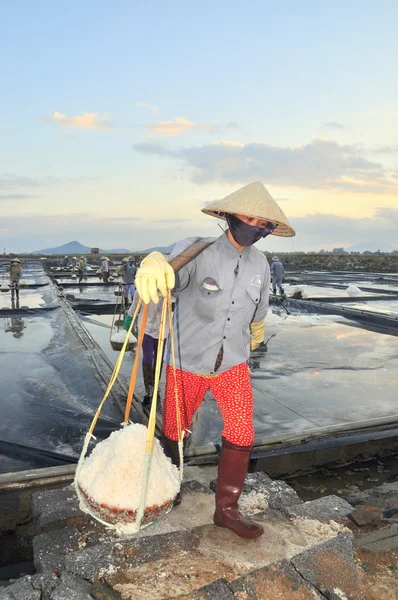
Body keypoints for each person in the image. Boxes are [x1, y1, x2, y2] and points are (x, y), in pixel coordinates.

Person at [135, 181, 295, 539]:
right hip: (187, 359)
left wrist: (255, 340)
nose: (256, 227)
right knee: (175, 429)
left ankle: (226, 510)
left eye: (263, 223)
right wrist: (155, 262)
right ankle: (168, 489)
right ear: (228, 215)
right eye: (249, 218)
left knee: (242, 431)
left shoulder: (261, 264)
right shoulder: (197, 251)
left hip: (233, 363)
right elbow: (168, 280)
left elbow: (259, 314)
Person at [124, 289, 167, 405]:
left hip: (163, 329)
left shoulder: (166, 288)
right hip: (146, 329)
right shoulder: (141, 289)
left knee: (159, 358)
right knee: (148, 357)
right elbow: (135, 306)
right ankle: (148, 386)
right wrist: (129, 318)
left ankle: (155, 384)